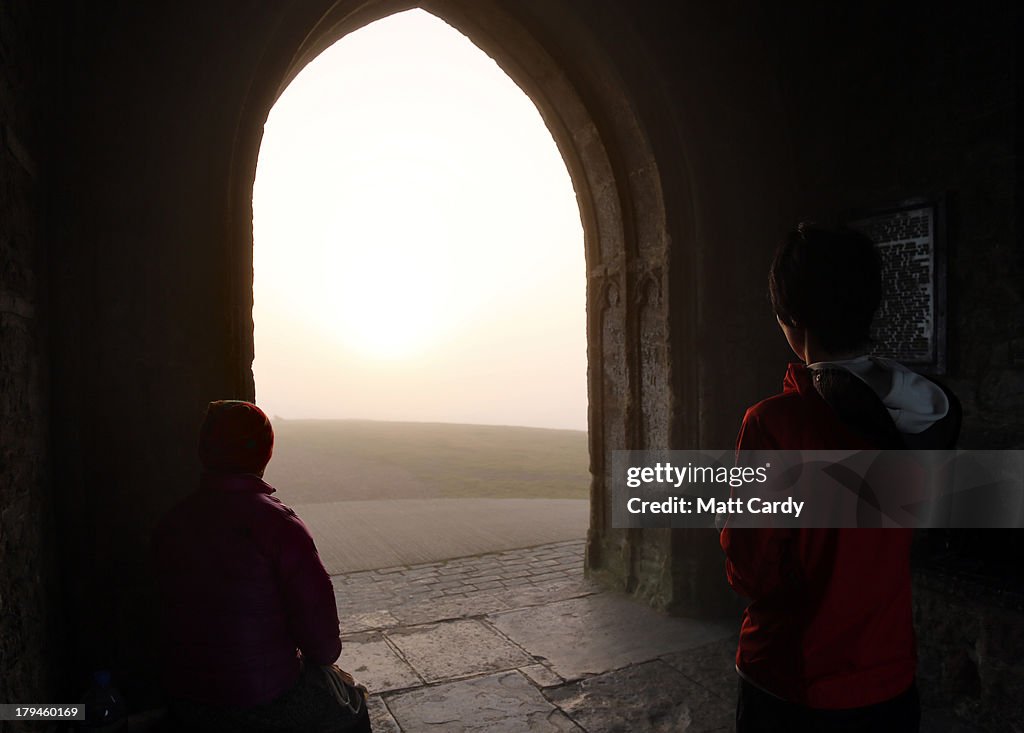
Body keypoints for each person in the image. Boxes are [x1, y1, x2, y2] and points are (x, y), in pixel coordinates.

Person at [719, 223, 960, 732]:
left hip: (794, 680)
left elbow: (751, 572)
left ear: (791, 317)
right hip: (889, 678)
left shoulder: (773, 424)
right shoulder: (923, 414)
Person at [152, 400, 371, 732]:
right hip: (264, 698)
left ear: (204, 451)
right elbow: (324, 646)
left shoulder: (171, 523)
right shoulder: (279, 526)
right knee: (352, 704)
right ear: (265, 453)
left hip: (185, 699)